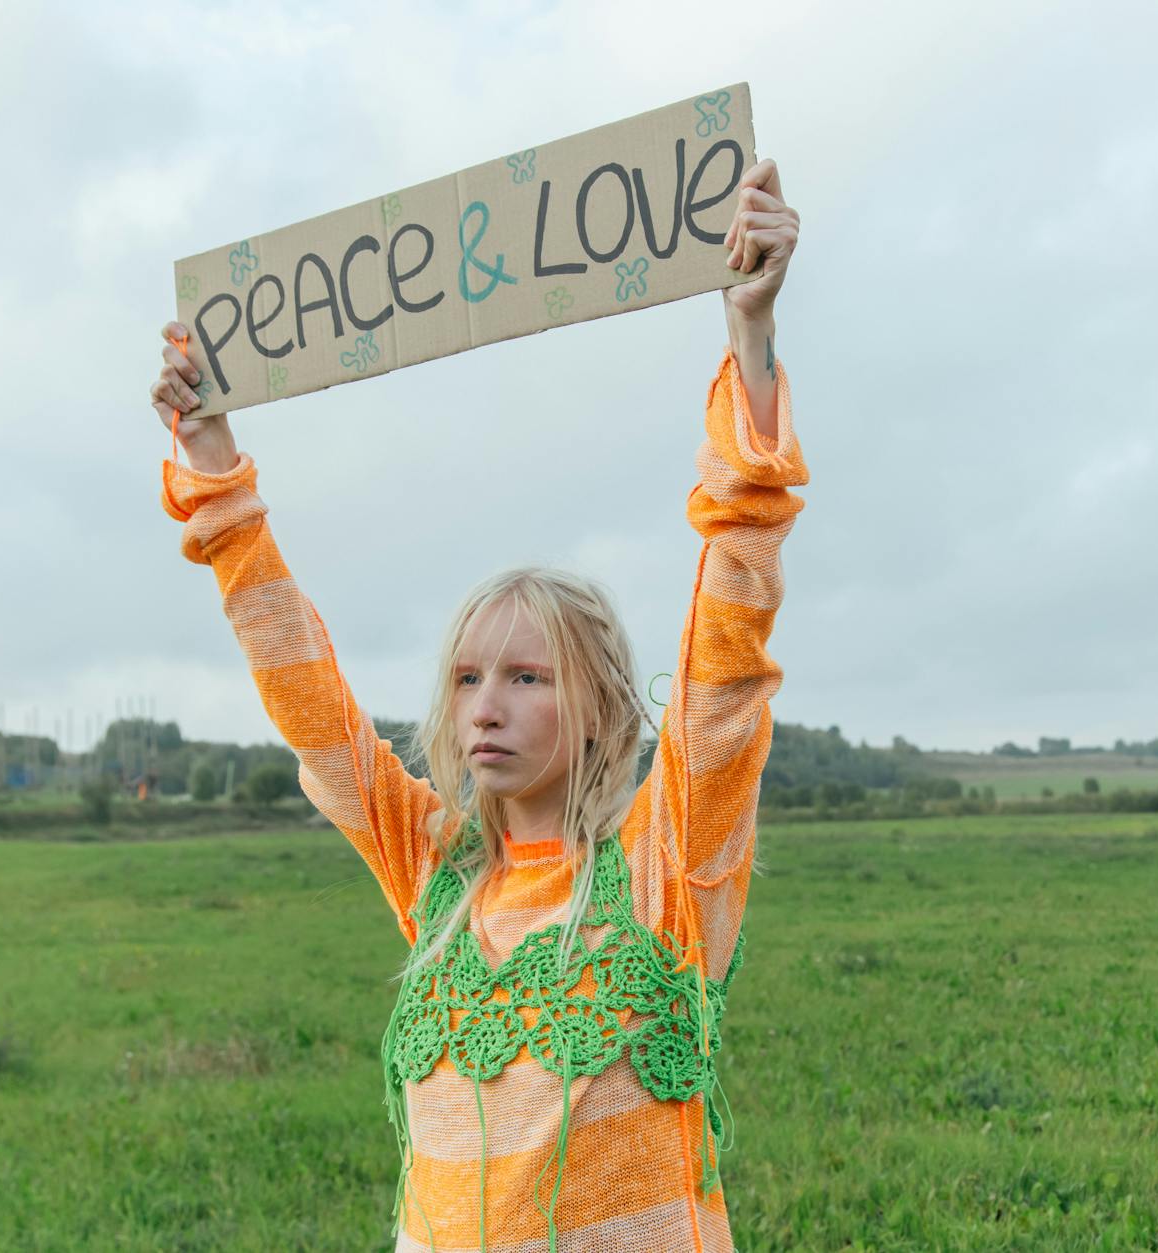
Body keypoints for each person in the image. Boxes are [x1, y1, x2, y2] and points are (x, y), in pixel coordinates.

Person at [155, 157, 804, 1253]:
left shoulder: (663, 868)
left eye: (525, 676)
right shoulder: (437, 868)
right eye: (465, 678)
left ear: (596, 706)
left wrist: (750, 342)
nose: (484, 708)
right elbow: (310, 700)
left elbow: (723, 666)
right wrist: (217, 478)